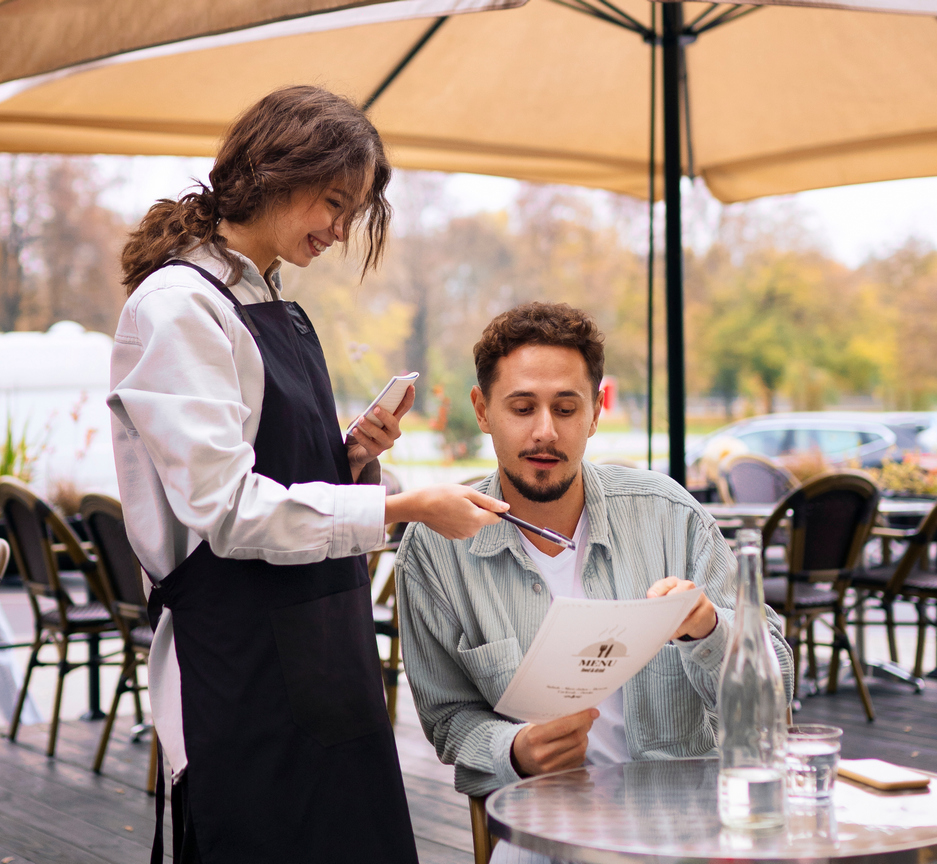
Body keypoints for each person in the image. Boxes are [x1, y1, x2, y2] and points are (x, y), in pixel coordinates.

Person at [108, 85, 507, 864]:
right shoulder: (179, 308)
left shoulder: (275, 305)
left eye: (351, 212)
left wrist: (350, 458)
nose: (340, 230)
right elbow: (227, 511)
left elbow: (277, 471)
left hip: (328, 659)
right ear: (273, 172)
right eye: (334, 203)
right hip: (240, 671)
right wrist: (404, 509)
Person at [396, 302, 794, 864]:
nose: (545, 431)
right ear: (482, 411)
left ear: (596, 412)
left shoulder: (669, 515)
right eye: (522, 408)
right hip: (544, 825)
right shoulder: (435, 549)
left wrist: (709, 628)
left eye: (566, 408)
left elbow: (778, 686)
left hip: (688, 824)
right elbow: (447, 718)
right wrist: (514, 749)